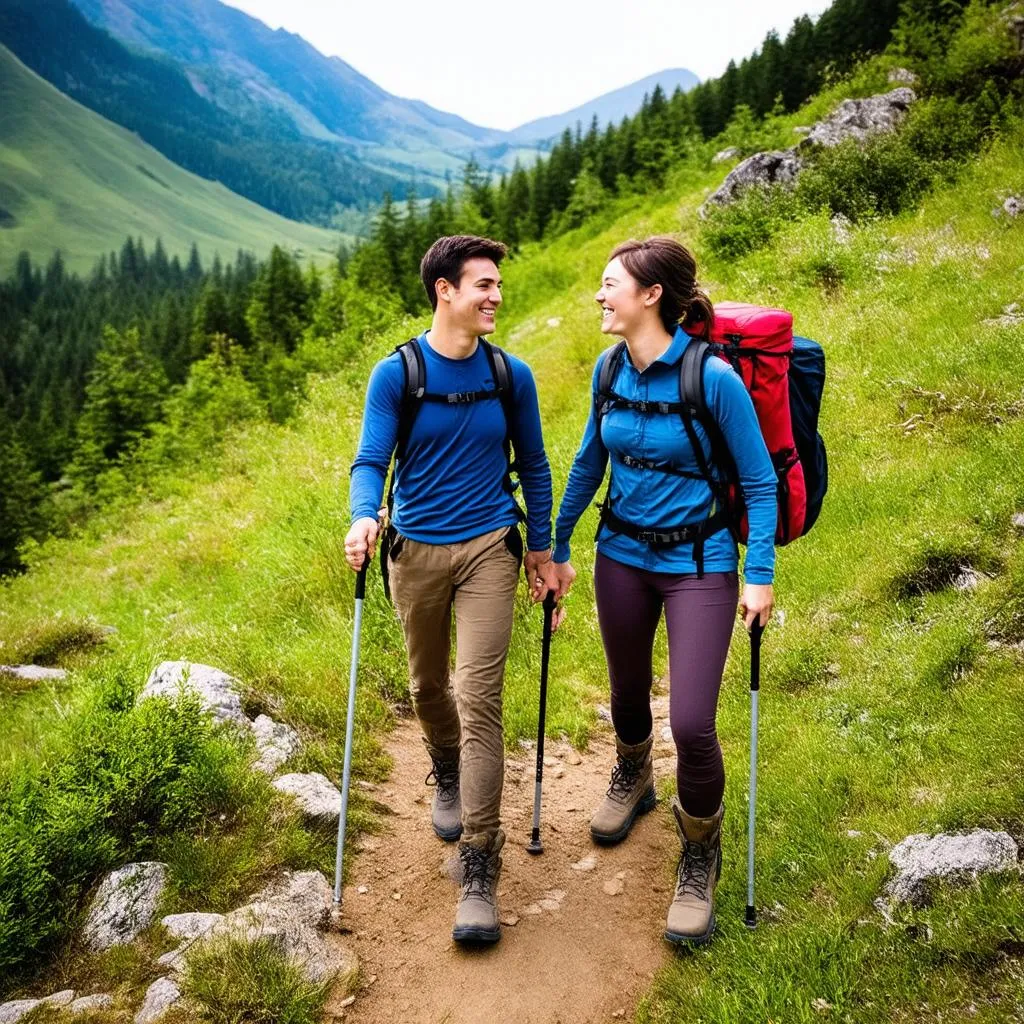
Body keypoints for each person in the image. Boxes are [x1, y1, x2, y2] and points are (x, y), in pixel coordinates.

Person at [551, 236, 775, 946]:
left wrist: (760, 574)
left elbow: (761, 482)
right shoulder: (608, 368)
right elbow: (590, 460)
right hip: (620, 555)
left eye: (610, 283)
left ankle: (700, 851)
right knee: (624, 694)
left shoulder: (713, 379)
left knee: (692, 722)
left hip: (700, 565)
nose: (599, 294)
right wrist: (555, 544)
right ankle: (634, 776)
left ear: (651, 295)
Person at [345, 234, 558, 945]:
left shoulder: (509, 374)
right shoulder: (397, 373)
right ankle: (445, 767)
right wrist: (361, 518)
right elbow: (372, 459)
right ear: (445, 291)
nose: (496, 297)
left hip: (488, 550)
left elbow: (533, 462)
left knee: (479, 696)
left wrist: (541, 548)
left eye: (497, 286)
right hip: (414, 552)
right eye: (484, 286)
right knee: (427, 688)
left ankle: (478, 863)